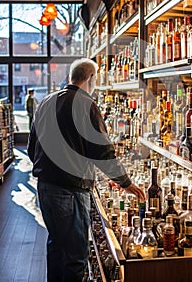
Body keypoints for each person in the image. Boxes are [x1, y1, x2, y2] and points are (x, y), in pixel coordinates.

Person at [27, 58, 145, 282]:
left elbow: (33, 147)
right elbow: (102, 152)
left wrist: (47, 170)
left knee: (56, 246)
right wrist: (126, 183)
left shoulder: (46, 102)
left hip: (45, 187)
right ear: (91, 78)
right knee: (76, 256)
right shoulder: (85, 104)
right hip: (71, 190)